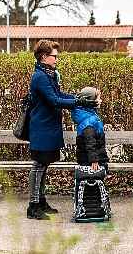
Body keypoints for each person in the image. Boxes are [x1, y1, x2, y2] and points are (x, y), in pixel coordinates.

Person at [27, 40, 97, 220]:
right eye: (54, 56)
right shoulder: (40, 77)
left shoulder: (48, 74)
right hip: (42, 128)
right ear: (44, 57)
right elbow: (54, 100)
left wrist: (77, 98)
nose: (57, 59)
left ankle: (40, 201)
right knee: (38, 166)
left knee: (43, 165)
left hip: (48, 127)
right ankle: (33, 206)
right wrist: (78, 102)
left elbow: (59, 95)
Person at [70, 87, 111, 222]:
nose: (100, 100)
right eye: (98, 98)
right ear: (90, 101)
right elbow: (90, 142)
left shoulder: (88, 115)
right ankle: (93, 209)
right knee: (92, 182)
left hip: (92, 157)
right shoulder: (89, 121)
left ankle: (95, 207)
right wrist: (94, 160)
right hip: (91, 160)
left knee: (91, 183)